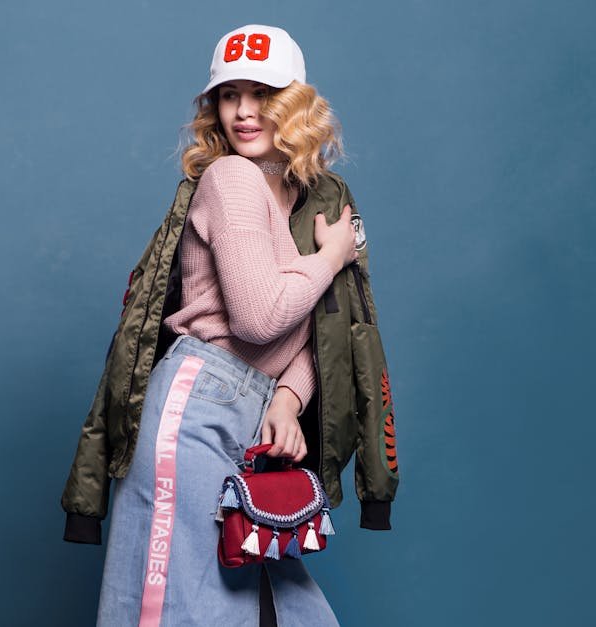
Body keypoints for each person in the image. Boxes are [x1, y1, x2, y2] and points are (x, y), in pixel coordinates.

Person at [64, 24, 386, 626]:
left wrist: (288, 401)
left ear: (294, 103)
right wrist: (330, 258)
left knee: (280, 609)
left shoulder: (308, 199)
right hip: (195, 409)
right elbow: (261, 317)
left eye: (261, 94)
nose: (242, 111)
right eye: (228, 94)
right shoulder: (230, 178)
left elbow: (320, 330)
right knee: (177, 611)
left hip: (249, 413)